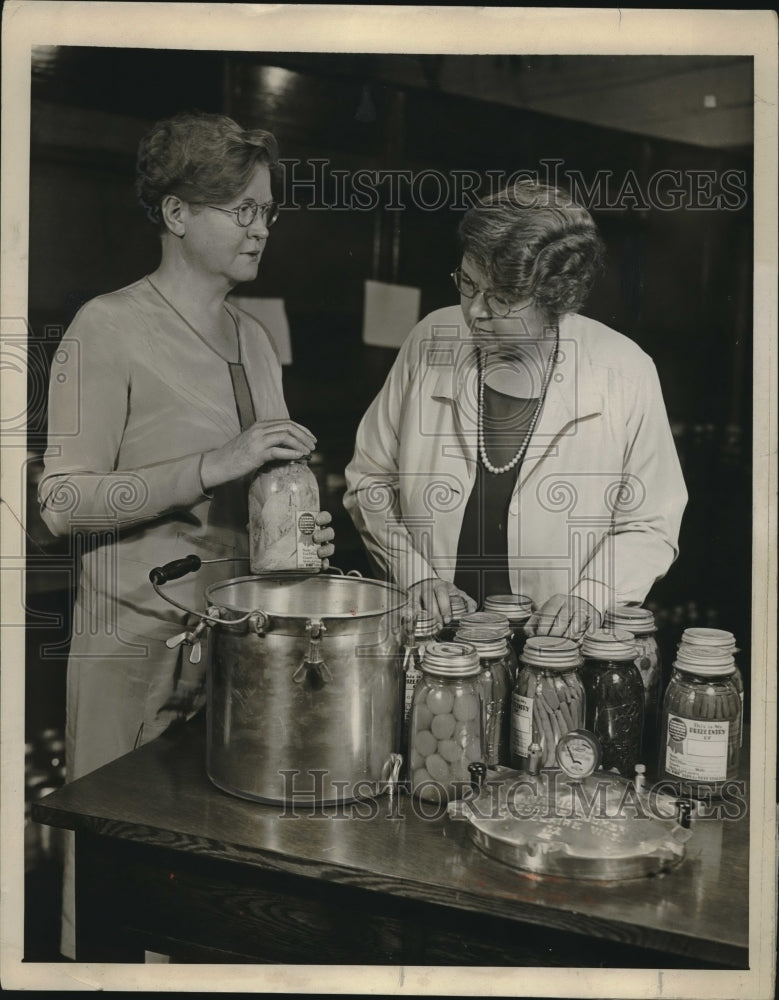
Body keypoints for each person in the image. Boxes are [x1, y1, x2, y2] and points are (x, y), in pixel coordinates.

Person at [38, 110, 334, 958]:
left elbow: (265, 481)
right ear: (175, 214)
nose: (262, 227)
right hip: (132, 654)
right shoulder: (108, 327)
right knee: (110, 897)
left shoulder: (255, 336)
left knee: (208, 903)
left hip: (235, 662)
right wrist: (213, 464)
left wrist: (295, 520)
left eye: (268, 210)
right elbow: (61, 501)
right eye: (241, 209)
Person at [344, 179, 687, 639]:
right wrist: (416, 575)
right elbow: (370, 480)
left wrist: (590, 594)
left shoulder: (623, 370)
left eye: (502, 300)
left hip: (552, 648)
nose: (475, 312)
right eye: (468, 284)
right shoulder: (431, 340)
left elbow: (651, 521)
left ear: (556, 298)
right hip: (433, 636)